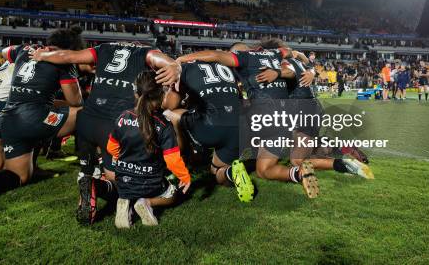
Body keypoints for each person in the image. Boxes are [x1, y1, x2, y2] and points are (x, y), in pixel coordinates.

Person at [31, 41, 181, 225]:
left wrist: (41, 56)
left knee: (88, 168)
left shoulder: (104, 48)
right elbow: (168, 63)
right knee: (123, 181)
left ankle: (88, 182)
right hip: (114, 123)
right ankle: (101, 185)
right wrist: (175, 66)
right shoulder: (146, 52)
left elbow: (67, 56)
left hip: (86, 121)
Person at [0, 27, 84, 209]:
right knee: (86, 113)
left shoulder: (25, 49)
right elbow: (75, 100)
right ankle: (93, 167)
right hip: (36, 118)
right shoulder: (63, 61)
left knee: (20, 176)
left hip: (9, 121)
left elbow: (4, 52)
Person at [176, 39, 321, 198]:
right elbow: (294, 56)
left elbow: (214, 55)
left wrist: (181, 60)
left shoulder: (243, 57)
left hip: (262, 117)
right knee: (263, 169)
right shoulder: (275, 52)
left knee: (235, 121)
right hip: (284, 118)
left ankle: (223, 165)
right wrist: (309, 70)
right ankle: (299, 174)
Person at [162, 58, 254, 203]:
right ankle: (230, 172)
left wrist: (170, 90)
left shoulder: (183, 67)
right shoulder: (225, 66)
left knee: (169, 115)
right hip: (239, 127)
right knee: (217, 171)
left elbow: (171, 104)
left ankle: (185, 159)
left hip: (210, 126)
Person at [108, 71, 191, 228]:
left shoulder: (122, 117)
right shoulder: (164, 125)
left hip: (123, 182)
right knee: (174, 194)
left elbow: (111, 148)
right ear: (161, 95)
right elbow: (172, 159)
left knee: (128, 186)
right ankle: (145, 202)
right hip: (151, 184)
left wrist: (122, 158)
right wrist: (184, 177)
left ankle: (125, 201)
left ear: (136, 93)